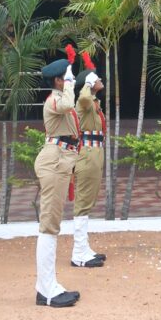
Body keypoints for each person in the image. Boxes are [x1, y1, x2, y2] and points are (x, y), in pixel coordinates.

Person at [34, 52, 81, 308]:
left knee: (53, 223)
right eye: (67, 77)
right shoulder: (55, 100)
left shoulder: (60, 98)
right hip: (54, 161)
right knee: (49, 225)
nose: (70, 80)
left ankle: (48, 285)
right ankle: (46, 290)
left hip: (61, 159)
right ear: (58, 81)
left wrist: (70, 81)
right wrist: (71, 83)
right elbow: (68, 104)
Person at [71, 52, 107, 268]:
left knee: (89, 200)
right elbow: (83, 98)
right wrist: (87, 83)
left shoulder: (94, 102)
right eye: (96, 78)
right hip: (87, 154)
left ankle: (84, 248)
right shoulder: (84, 101)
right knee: (83, 201)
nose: (100, 79)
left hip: (95, 153)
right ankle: (78, 253)